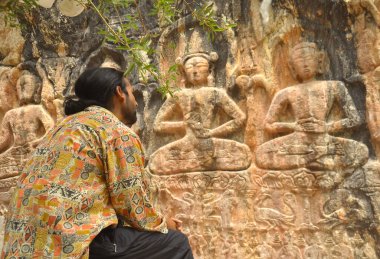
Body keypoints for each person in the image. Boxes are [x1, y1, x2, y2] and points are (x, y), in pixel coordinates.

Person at [1, 67, 193, 259]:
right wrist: (164, 224)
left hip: (21, 245)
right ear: (120, 93)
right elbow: (132, 205)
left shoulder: (61, 128)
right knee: (175, 243)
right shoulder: (116, 132)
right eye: (132, 93)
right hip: (68, 244)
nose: (136, 102)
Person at [255, 42, 368, 171]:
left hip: (324, 139)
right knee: (261, 155)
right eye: (299, 60)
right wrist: (293, 126)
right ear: (292, 68)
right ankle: (317, 160)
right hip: (298, 141)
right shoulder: (286, 92)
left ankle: (308, 161)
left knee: (361, 151)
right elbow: (268, 124)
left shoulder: (335, 86)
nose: (305, 64)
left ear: (319, 62)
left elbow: (354, 119)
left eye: (309, 58)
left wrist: (328, 126)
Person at [149, 52, 251, 175]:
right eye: (190, 67)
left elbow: (240, 118)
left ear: (209, 70)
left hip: (211, 143)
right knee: (156, 162)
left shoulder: (216, 93)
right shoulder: (179, 95)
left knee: (243, 155)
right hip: (188, 143)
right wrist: (184, 124)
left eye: (200, 66)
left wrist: (212, 132)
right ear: (184, 73)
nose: (195, 71)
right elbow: (158, 125)